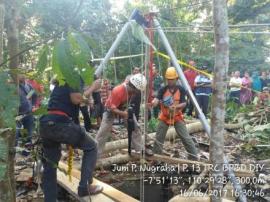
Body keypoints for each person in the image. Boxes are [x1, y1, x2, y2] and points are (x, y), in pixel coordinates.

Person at [39, 82, 103, 202]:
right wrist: (93, 87)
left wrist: (71, 141)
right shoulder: (72, 76)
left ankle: (50, 200)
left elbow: (74, 103)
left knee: (50, 166)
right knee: (92, 147)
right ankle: (84, 188)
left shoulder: (60, 82)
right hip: (60, 123)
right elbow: (76, 98)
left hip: (46, 124)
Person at [94, 73, 151, 157]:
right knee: (103, 131)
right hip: (110, 110)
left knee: (135, 127)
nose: (138, 92)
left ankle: (140, 149)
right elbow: (112, 108)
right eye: (137, 90)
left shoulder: (132, 89)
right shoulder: (118, 91)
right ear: (133, 87)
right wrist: (124, 114)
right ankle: (94, 153)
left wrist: (126, 112)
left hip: (123, 108)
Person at [150, 67, 198, 160]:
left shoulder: (181, 89)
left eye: (172, 79)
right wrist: (154, 102)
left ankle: (194, 157)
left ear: (176, 78)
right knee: (159, 137)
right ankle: (156, 158)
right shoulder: (163, 89)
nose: (170, 81)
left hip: (177, 116)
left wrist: (175, 107)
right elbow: (157, 99)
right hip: (164, 117)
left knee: (185, 137)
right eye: (168, 79)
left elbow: (184, 103)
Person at [16, 74, 37, 146]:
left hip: (28, 113)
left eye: (22, 74)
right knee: (16, 132)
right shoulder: (13, 86)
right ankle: (14, 151)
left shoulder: (28, 86)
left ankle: (26, 152)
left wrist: (34, 105)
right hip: (17, 114)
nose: (21, 76)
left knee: (28, 133)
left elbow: (34, 95)